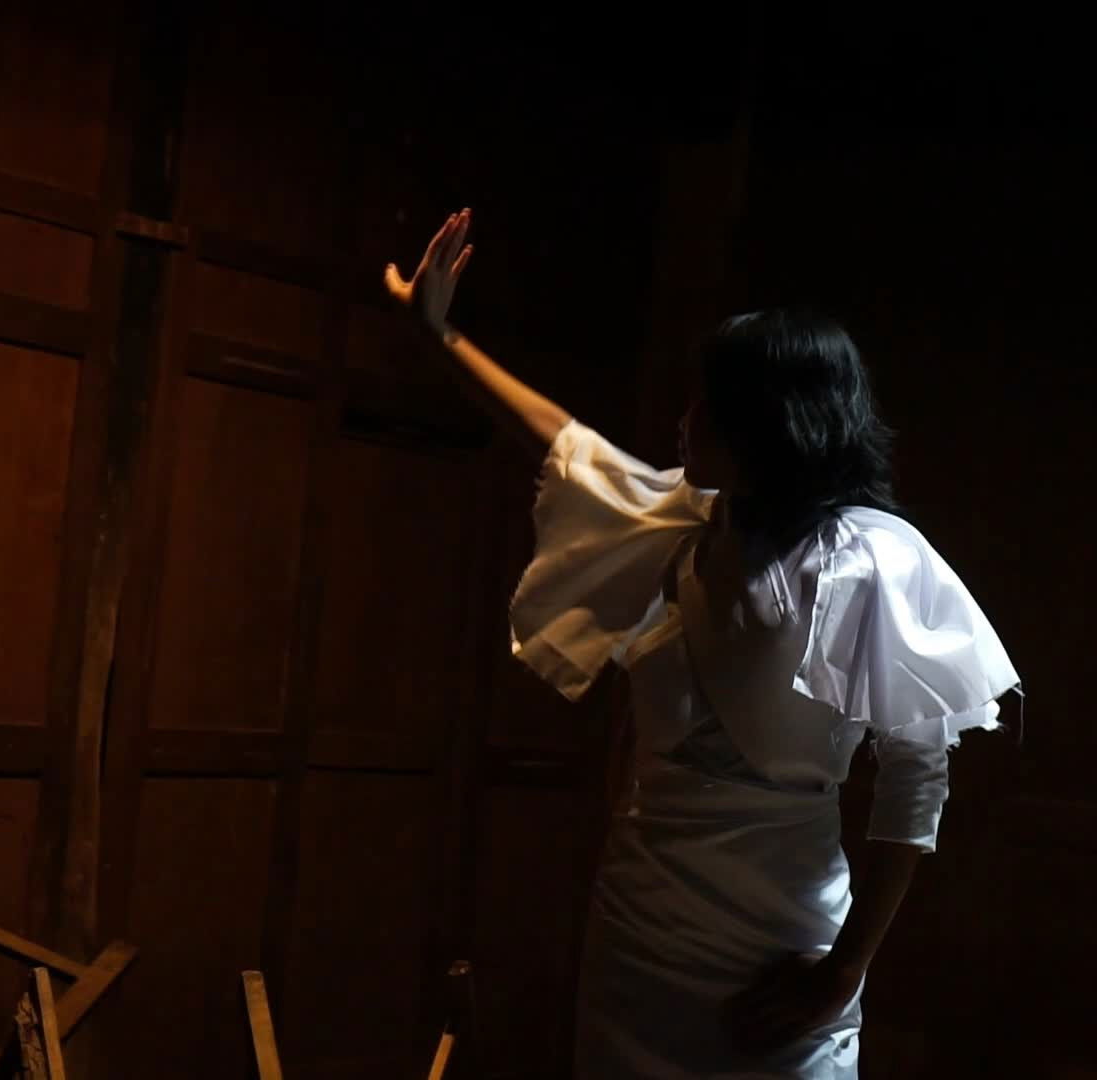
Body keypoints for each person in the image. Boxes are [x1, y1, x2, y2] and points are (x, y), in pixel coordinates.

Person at [385, 209, 1020, 1078]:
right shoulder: (682, 524)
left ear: (769, 421)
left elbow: (916, 779)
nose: (685, 420)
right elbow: (562, 441)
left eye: (709, 403)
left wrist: (843, 974)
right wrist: (440, 335)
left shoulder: (868, 560)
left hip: (784, 946)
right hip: (641, 929)